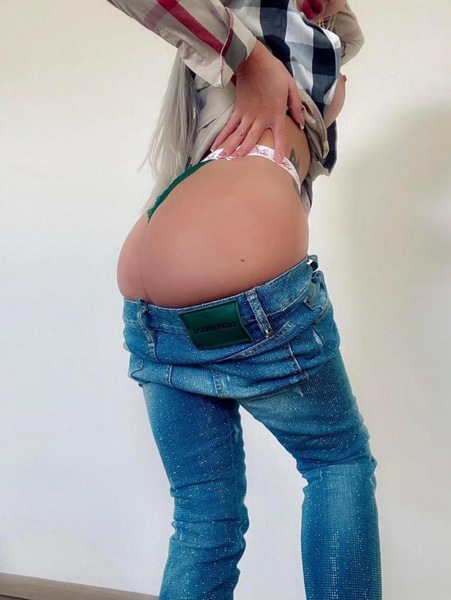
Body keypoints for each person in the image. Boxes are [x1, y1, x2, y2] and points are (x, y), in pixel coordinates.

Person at [107, 0, 382, 598]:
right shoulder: (263, 40)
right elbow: (340, 50)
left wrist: (249, 52)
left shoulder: (269, 41)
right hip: (236, 276)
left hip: (149, 292)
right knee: (337, 462)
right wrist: (250, 58)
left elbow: (345, 34)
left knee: (204, 519)